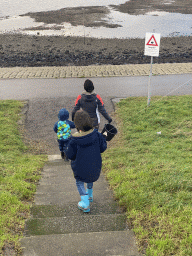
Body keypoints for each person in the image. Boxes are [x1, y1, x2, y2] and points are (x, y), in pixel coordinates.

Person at [65, 110, 107, 212]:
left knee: (79, 183)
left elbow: (70, 155)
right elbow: (103, 148)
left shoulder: (74, 140)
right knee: (89, 179)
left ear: (77, 126)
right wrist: (104, 138)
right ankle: (90, 196)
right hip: (94, 167)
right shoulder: (97, 135)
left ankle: (85, 203)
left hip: (80, 169)